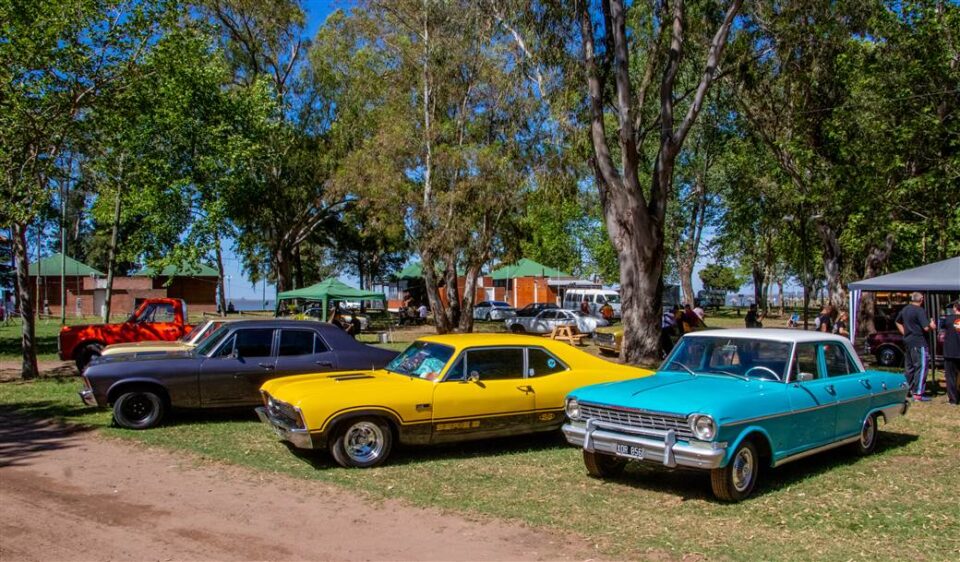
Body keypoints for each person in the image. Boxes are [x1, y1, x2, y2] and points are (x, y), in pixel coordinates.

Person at [896, 292, 936, 401]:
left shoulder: (905, 309)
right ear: (921, 300)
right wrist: (932, 326)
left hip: (908, 341)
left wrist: (904, 333)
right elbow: (926, 328)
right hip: (919, 341)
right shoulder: (920, 310)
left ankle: (904, 390)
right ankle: (918, 393)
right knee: (921, 366)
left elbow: (897, 321)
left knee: (909, 367)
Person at [938, 300, 960, 406]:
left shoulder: (947, 319)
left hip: (950, 352)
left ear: (955, 308)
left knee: (951, 376)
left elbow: (939, 326)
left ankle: (953, 400)